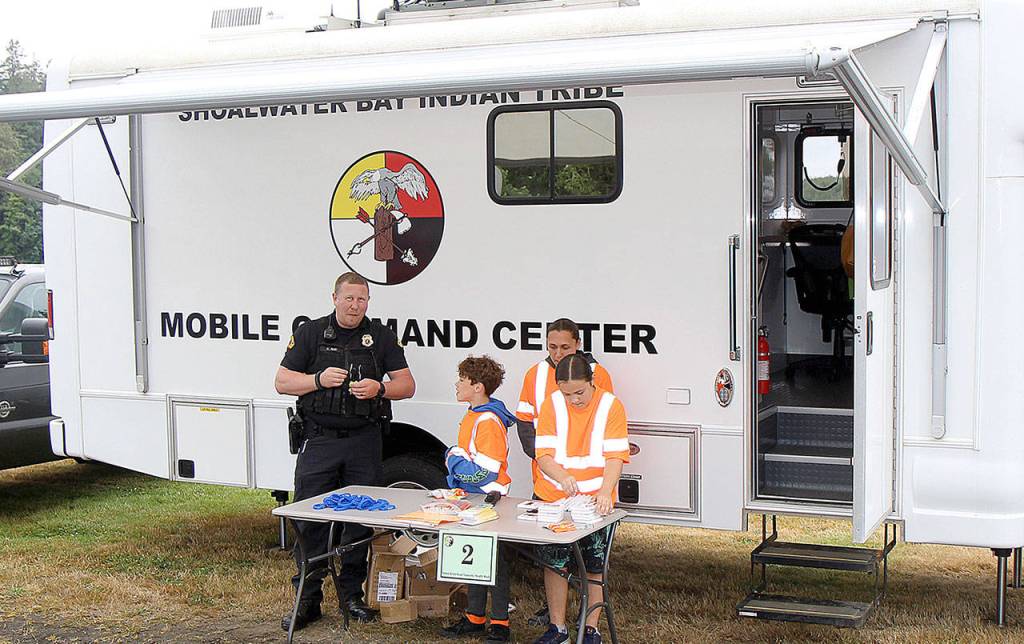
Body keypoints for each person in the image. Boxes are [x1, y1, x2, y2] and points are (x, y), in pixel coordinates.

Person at [274, 272, 415, 632]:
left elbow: (407, 385)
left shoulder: (380, 336)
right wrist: (317, 380)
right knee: (310, 521)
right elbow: (282, 381)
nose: (355, 306)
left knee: (359, 522)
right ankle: (308, 598)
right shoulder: (311, 333)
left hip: (364, 442)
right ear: (334, 298)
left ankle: (352, 595)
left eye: (362, 299)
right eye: (349, 298)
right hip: (319, 440)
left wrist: (380, 388)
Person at [515, 318, 614, 626]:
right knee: (552, 557)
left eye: (565, 347)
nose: (557, 353)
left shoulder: (599, 376)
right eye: (552, 346)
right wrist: (549, 463)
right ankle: (554, 616)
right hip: (551, 483)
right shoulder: (536, 374)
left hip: (588, 493)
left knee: (589, 560)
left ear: (578, 345)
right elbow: (525, 423)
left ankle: (589, 622)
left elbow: (604, 421)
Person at [532, 354, 629, 644]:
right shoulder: (551, 404)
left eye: (579, 392)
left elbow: (615, 457)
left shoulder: (611, 405)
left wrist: (604, 490)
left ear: (592, 382)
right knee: (555, 564)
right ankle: (557, 628)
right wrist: (562, 476)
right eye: (567, 393)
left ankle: (591, 628)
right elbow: (543, 455)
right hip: (555, 498)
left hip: (596, 503)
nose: (574, 399)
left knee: (594, 566)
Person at [440, 355, 517, 643]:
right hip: (475, 499)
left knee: (494, 563)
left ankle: (500, 624)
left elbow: (486, 472)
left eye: (462, 380)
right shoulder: (475, 414)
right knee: (474, 558)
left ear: (478, 387)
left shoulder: (487, 421)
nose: (457, 385)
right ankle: (474, 617)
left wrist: (453, 458)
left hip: (489, 500)